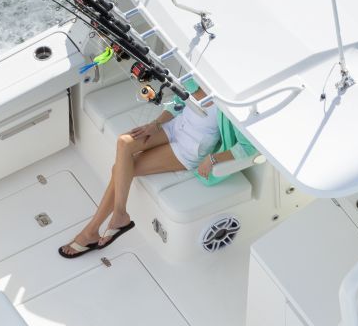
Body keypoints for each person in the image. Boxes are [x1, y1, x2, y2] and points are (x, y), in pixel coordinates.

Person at [60, 85, 252, 257]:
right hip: (175, 126)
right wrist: (156, 123)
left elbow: (248, 147)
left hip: (190, 147)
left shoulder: (234, 103)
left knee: (119, 168)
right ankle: (119, 215)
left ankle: (92, 230)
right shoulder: (199, 76)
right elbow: (178, 101)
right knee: (124, 142)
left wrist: (213, 159)